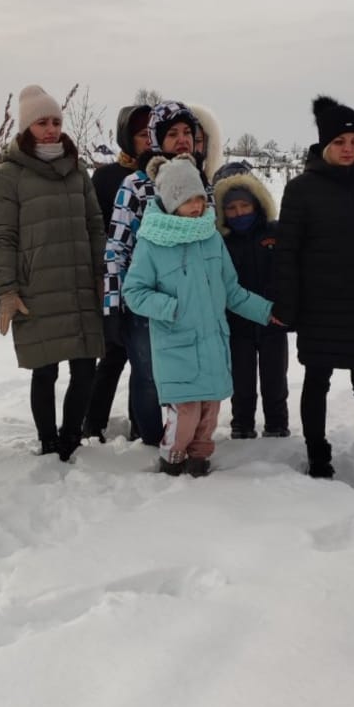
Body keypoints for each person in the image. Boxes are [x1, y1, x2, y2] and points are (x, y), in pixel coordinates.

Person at [274, 97, 354, 487]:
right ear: (324, 145)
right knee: (316, 380)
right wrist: (288, 301)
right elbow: (287, 250)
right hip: (320, 304)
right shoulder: (301, 189)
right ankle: (317, 449)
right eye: (340, 141)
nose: (348, 148)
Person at [122, 157, 278, 475]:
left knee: (209, 413)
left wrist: (267, 312)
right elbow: (134, 292)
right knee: (187, 413)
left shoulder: (211, 237)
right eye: (187, 200)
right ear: (170, 202)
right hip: (177, 345)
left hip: (212, 343)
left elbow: (231, 291)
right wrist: (170, 308)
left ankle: (199, 458)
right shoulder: (152, 243)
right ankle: (172, 456)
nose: (196, 207)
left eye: (199, 199)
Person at [0, 86, 106, 462]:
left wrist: (103, 274)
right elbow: (2, 237)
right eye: (42, 123)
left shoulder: (77, 169)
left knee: (86, 366)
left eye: (56, 121)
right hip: (36, 288)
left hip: (79, 285)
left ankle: (72, 436)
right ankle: (48, 439)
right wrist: (6, 289)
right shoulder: (9, 176)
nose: (51, 129)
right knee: (45, 370)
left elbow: (95, 225)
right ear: (27, 128)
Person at [101, 103, 219, 445]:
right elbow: (117, 248)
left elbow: (209, 243)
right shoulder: (136, 185)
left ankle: (185, 438)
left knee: (185, 374)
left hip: (190, 302)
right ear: (157, 138)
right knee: (149, 375)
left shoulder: (200, 183)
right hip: (147, 302)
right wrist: (112, 305)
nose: (182, 140)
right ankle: (151, 439)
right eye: (173, 133)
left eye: (188, 133)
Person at [85, 103, 158, 446]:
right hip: (117, 277)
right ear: (127, 138)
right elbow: (99, 231)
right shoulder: (107, 177)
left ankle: (140, 424)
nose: (148, 140)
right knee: (114, 354)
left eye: (151, 133)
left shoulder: (162, 174)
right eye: (141, 134)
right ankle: (93, 423)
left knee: (146, 361)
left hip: (153, 284)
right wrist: (107, 281)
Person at [214, 162, 289, 439]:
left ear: (256, 203)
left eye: (244, 206)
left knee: (275, 378)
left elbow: (289, 270)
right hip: (237, 323)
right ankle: (242, 424)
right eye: (231, 209)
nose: (239, 213)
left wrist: (284, 303)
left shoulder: (275, 233)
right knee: (241, 379)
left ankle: (277, 424)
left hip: (273, 320)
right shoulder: (220, 241)